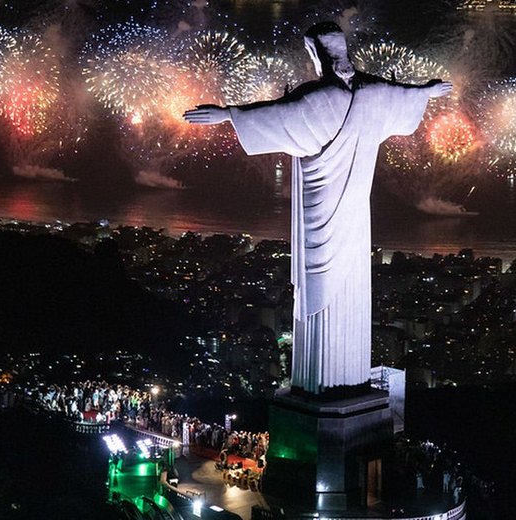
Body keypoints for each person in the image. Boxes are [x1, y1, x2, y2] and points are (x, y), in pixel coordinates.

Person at [184, 23, 451, 395]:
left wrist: (228, 115)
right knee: (348, 288)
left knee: (318, 291)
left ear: (315, 54)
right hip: (357, 220)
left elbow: (275, 114)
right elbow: (404, 96)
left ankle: (321, 387)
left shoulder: (319, 99)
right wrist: (428, 92)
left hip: (320, 212)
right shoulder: (374, 92)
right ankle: (342, 384)